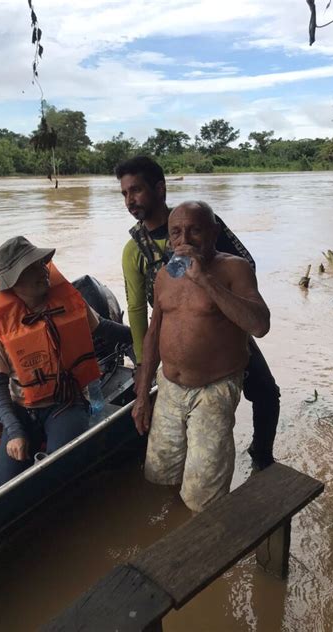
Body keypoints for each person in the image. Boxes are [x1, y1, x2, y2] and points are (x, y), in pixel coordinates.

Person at [116, 156, 280, 470]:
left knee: (266, 393)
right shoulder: (134, 249)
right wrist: (142, 366)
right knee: (173, 416)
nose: (130, 200)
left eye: (135, 190)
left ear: (160, 189)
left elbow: (247, 268)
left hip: (224, 326)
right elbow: (137, 310)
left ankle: (262, 460)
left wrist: (207, 280)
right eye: (124, 193)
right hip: (171, 332)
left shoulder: (200, 221)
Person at [132, 201, 271, 512]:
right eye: (176, 233)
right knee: (159, 476)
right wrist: (142, 395)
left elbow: (260, 325)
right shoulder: (165, 275)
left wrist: (205, 280)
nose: (185, 240)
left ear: (214, 232)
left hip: (214, 390)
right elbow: (153, 333)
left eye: (195, 230)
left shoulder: (235, 268)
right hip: (168, 388)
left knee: (203, 496)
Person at [0, 235, 132, 489]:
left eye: (41, 263)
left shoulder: (72, 304)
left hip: (65, 403)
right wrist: (14, 431)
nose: (43, 271)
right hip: (21, 409)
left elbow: (107, 330)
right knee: (4, 482)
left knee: (60, 467)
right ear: (13, 283)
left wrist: (148, 335)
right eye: (31, 268)